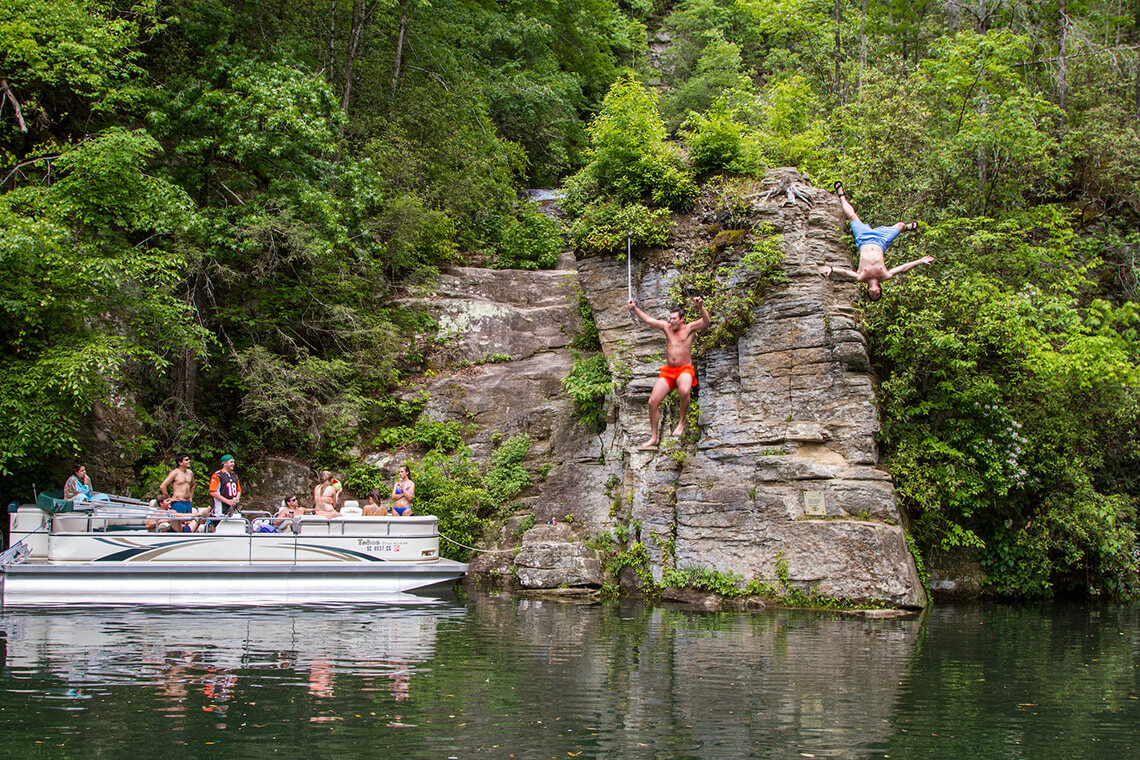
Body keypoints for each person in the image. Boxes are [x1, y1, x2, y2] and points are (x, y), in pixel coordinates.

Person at [817, 181, 933, 301]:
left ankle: (841, 194)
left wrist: (831, 269)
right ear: (879, 290)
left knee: (852, 217)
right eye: (877, 294)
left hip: (863, 239)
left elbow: (845, 273)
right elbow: (902, 268)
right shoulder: (885, 275)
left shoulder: (861, 277)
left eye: (872, 295)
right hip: (881, 240)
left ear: (868, 291)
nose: (875, 294)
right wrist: (920, 261)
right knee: (900, 225)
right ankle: (906, 228)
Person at [626, 296, 712, 450]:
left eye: (674, 319)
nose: (671, 321)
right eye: (670, 318)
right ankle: (654, 437)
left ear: (681, 319)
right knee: (652, 402)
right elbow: (649, 320)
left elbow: (706, 321)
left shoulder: (689, 328)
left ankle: (680, 423)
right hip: (668, 371)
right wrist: (635, 308)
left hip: (684, 369)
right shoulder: (666, 327)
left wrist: (700, 307)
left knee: (685, 390)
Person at [159, 453, 195, 531]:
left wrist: (190, 496)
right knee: (177, 524)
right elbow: (163, 486)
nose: (189, 461)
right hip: (178, 502)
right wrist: (169, 499)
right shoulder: (175, 473)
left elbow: (192, 485)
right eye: (186, 460)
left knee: (188, 523)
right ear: (180, 462)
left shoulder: (190, 473)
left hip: (187, 502)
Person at [208, 454, 242, 525]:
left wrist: (237, 498)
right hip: (221, 509)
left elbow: (238, 490)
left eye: (233, 462)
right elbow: (212, 492)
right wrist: (227, 501)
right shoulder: (218, 475)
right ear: (225, 463)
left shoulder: (234, 475)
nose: (233, 464)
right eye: (231, 462)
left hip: (233, 508)